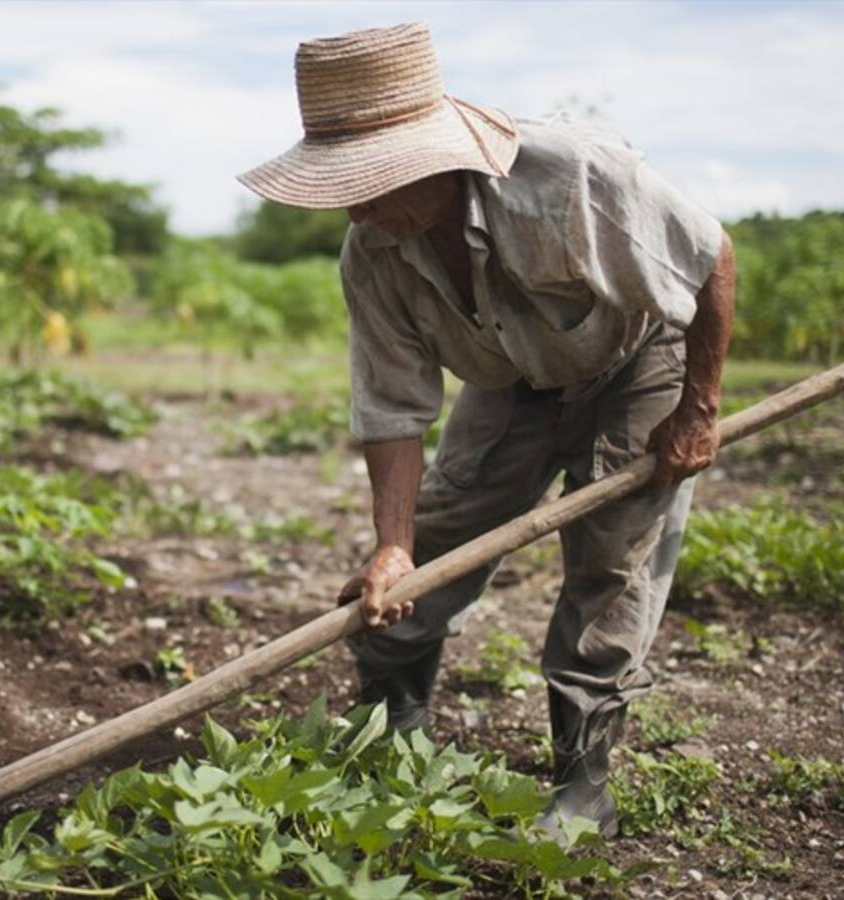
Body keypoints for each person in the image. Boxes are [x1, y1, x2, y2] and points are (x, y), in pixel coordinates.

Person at [238, 22, 735, 840]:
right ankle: (392, 730)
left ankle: (585, 786)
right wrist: (391, 545)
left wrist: (699, 410)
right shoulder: (373, 251)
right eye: (343, 184)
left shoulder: (573, 174)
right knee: (424, 553)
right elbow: (392, 408)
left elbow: (710, 258)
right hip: (510, 382)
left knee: (613, 559)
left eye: (371, 179)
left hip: (636, 358)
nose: (356, 202)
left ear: (435, 155)